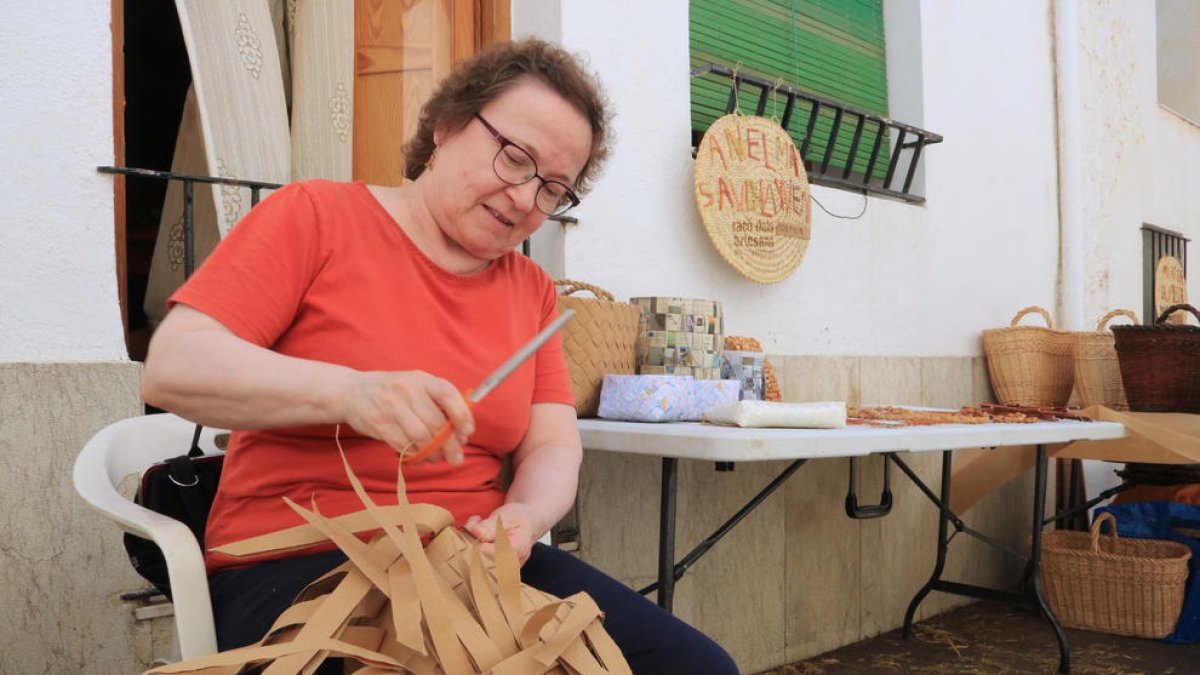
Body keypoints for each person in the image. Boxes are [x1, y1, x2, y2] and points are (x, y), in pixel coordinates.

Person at [141, 38, 739, 675]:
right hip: (298, 563)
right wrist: (351, 393)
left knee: (699, 667)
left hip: (475, 562)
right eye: (515, 159)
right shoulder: (315, 217)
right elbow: (175, 366)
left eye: (553, 188)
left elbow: (552, 446)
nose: (523, 199)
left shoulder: (530, 290)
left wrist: (526, 516)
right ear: (447, 125)